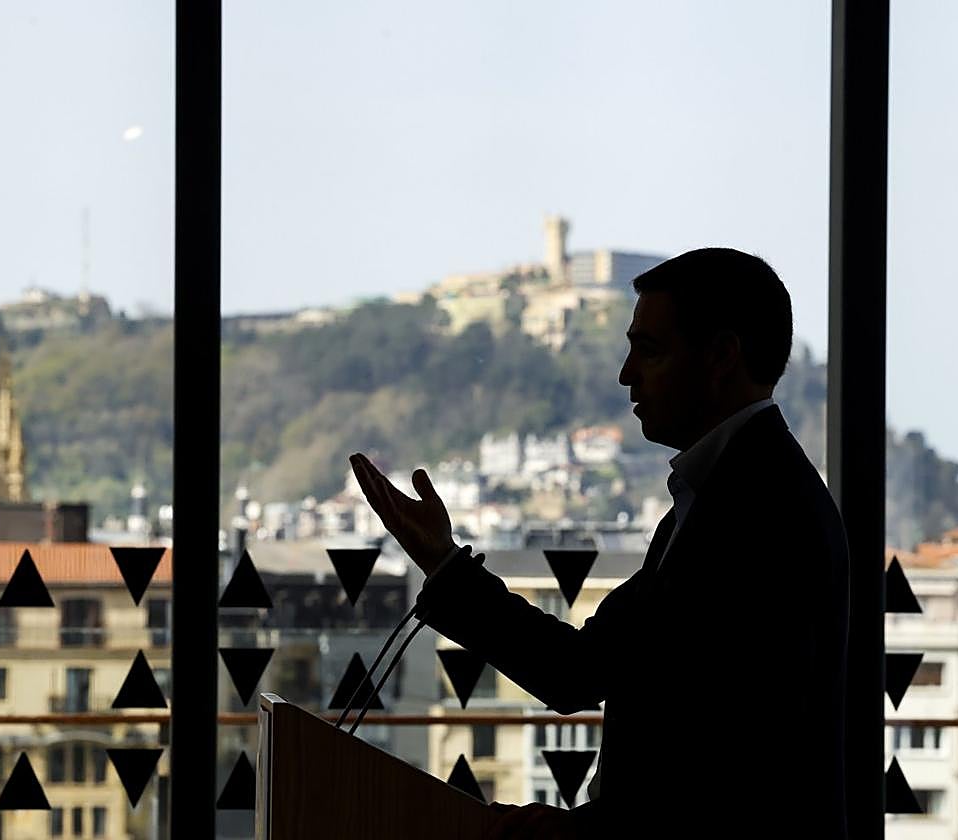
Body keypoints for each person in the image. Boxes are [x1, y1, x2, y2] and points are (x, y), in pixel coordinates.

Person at [349, 247, 849, 839]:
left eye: (650, 349)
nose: (626, 373)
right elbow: (594, 675)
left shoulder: (753, 512)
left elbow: (716, 776)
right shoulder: (737, 493)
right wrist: (442, 561)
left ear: (721, 356)